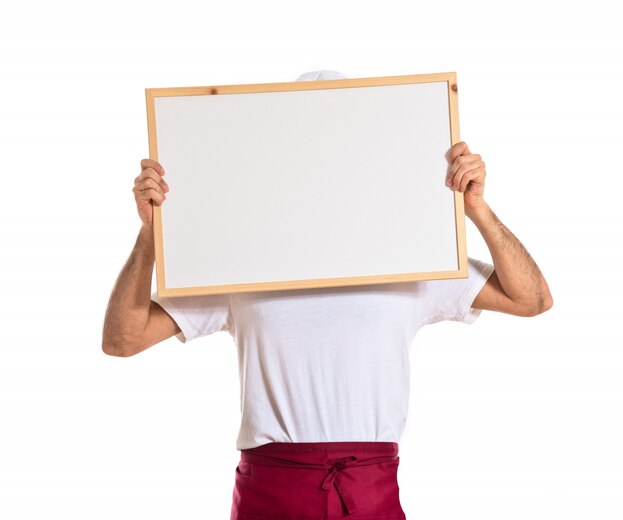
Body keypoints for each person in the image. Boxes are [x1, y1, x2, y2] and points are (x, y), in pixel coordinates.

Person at [102, 70, 553, 519]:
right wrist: (151, 233)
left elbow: (530, 299)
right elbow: (123, 340)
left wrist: (477, 209)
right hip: (270, 494)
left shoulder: (415, 254)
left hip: (369, 491)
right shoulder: (237, 257)